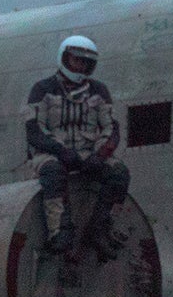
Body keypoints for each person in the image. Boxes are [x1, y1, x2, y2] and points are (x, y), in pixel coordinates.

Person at [23, 35, 130, 252]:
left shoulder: (99, 91)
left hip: (87, 153)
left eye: (86, 62)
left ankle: (100, 227)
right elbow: (34, 130)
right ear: (64, 58)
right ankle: (59, 231)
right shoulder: (43, 89)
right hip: (51, 153)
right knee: (52, 172)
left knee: (119, 173)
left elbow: (111, 129)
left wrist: (99, 155)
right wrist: (59, 151)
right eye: (76, 60)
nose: (81, 66)